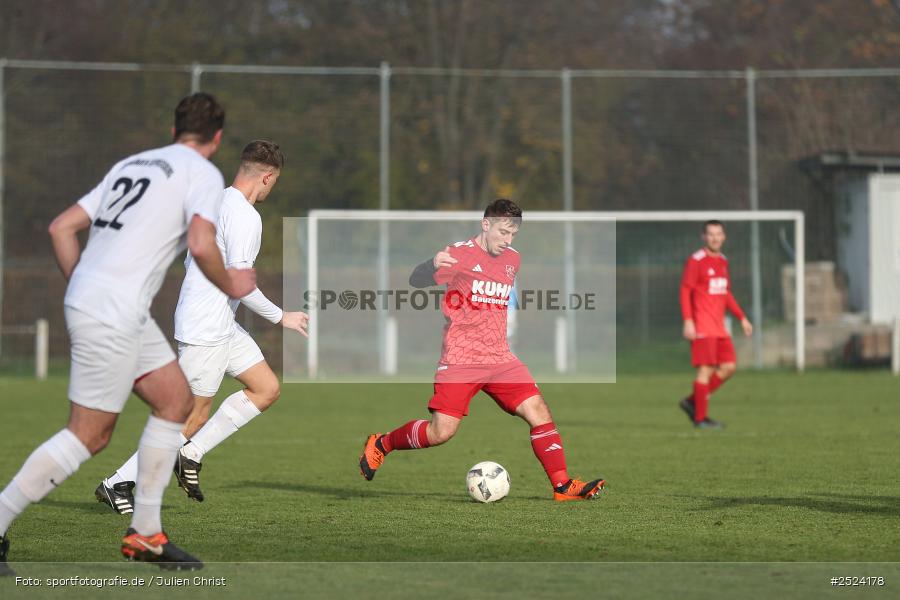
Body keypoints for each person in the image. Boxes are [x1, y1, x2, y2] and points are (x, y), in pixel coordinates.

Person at [0, 93, 257, 574]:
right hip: (112, 310)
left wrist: (83, 288)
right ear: (217, 138)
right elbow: (202, 246)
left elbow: (61, 228)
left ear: (175, 128)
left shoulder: (133, 163)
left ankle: (146, 534)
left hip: (112, 306)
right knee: (89, 434)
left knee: (174, 401)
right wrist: (234, 282)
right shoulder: (202, 174)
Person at [95, 140, 308, 513]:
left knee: (266, 388)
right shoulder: (245, 215)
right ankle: (118, 483)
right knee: (190, 416)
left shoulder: (216, 200)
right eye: (274, 182)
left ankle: (190, 454)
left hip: (220, 323)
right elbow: (241, 281)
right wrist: (281, 316)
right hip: (206, 327)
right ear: (268, 177)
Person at [358, 199, 605, 501]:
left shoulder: (513, 259)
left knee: (538, 411)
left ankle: (563, 487)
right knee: (441, 433)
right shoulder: (459, 255)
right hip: (461, 359)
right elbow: (416, 280)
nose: (508, 240)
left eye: (513, 234)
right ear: (486, 224)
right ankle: (382, 444)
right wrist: (431, 265)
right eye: (503, 232)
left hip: (500, 358)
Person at [678, 220, 753, 429]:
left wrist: (742, 318)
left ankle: (693, 402)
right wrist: (688, 321)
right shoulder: (696, 261)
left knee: (729, 367)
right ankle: (701, 419)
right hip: (702, 326)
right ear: (704, 237)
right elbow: (685, 291)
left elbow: (725, 293)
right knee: (706, 369)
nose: (715, 238)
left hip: (719, 327)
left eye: (718, 234)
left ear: (724, 236)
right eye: (710, 234)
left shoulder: (722, 261)